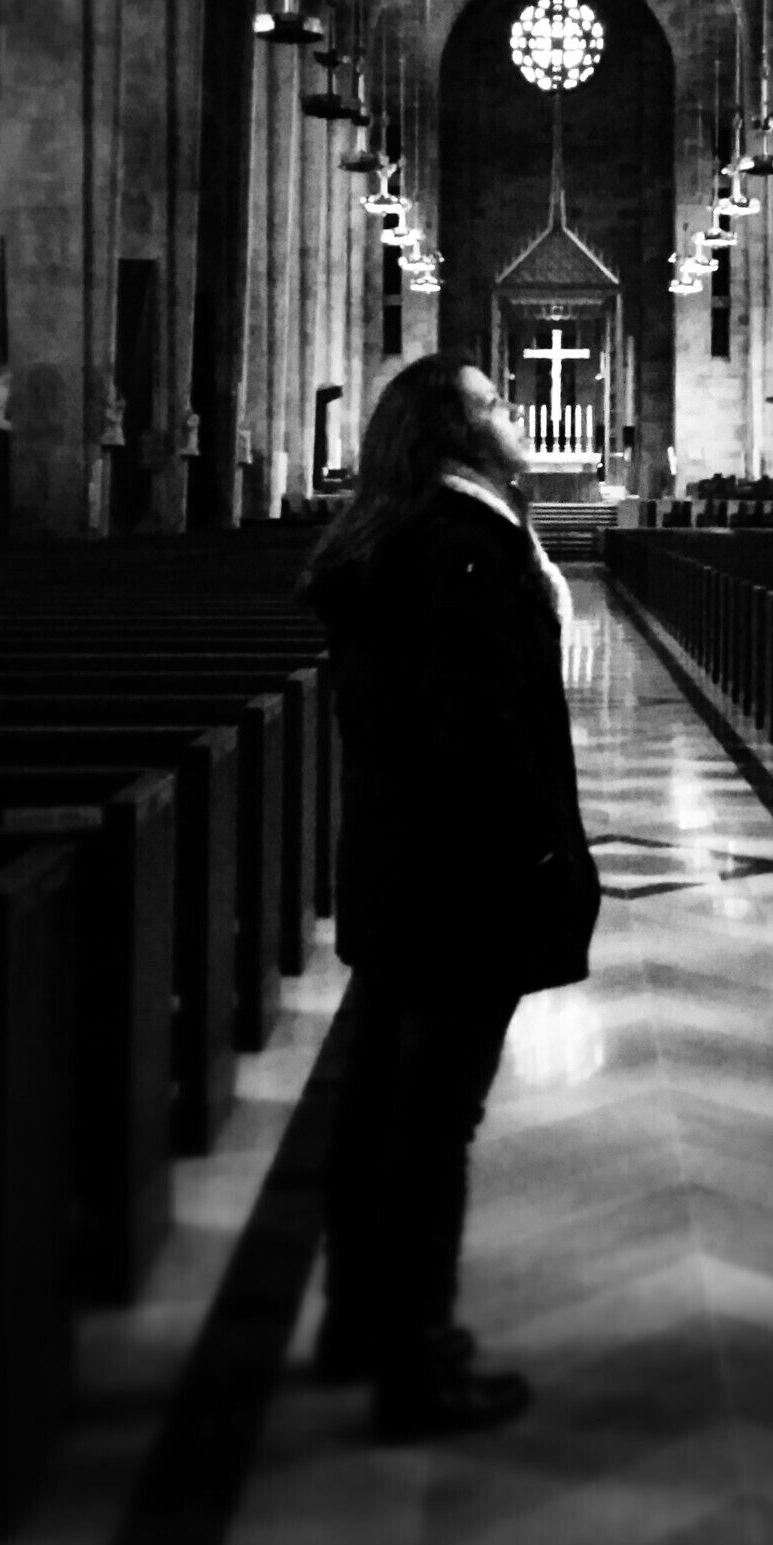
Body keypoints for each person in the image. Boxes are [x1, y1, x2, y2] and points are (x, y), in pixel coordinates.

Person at [298, 352, 599, 1440]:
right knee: (432, 1127)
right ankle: (413, 1365)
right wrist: (541, 873)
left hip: (398, 871)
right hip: (461, 886)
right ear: (453, 437)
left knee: (380, 1105)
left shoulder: (402, 540)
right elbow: (485, 742)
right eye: (492, 404)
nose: (516, 412)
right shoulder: (464, 552)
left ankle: (358, 1322)